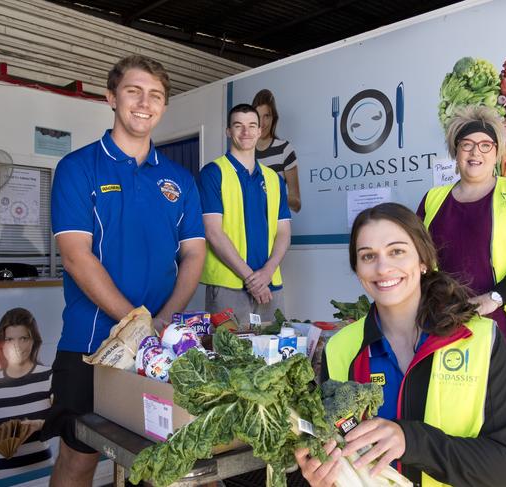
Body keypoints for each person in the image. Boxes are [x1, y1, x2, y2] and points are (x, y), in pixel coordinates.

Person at [44, 54, 206, 486]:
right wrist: (138, 324)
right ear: (111, 97)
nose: (144, 102)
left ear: (164, 106)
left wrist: (165, 320)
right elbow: (77, 255)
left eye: (155, 95)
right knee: (79, 458)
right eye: (133, 91)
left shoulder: (180, 180)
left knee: (159, 465)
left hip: (160, 349)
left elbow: (194, 254)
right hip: (91, 342)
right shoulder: (78, 168)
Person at [295, 203, 506, 487]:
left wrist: (411, 441)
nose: (383, 267)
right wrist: (324, 477)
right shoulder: (341, 348)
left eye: (396, 251)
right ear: (358, 270)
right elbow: (343, 444)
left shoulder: (480, 339)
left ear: (423, 260)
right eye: (368, 256)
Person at [417, 105, 506, 487]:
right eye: (467, 144)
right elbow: (418, 263)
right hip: (453, 328)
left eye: (486, 144)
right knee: (460, 416)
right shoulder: (433, 201)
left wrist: (494, 298)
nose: (476, 152)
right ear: (455, 151)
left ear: (498, 152)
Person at [199, 103, 291, 327]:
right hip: (228, 287)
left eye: (252, 126)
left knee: (275, 356)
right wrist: (252, 279)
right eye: (238, 126)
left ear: (260, 131)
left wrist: (267, 273)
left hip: (270, 284)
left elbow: (284, 232)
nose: (246, 132)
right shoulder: (213, 173)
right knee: (227, 358)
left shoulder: (273, 179)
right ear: (228, 132)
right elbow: (213, 232)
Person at [0, 308, 52, 484]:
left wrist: (39, 425)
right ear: (1, 342)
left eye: (24, 338)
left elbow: (67, 426)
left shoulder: (49, 378)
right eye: (10, 339)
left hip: (39, 478)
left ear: (33, 341)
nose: (17, 346)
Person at [252, 89, 302, 212]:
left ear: (273, 118)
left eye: (266, 116)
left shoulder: (285, 149)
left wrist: (273, 195)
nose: (262, 123)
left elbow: (297, 204)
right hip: (248, 228)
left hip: (277, 227)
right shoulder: (245, 153)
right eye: (258, 117)